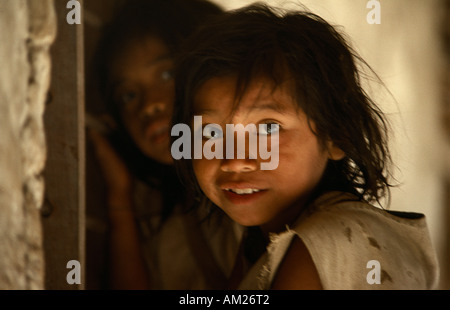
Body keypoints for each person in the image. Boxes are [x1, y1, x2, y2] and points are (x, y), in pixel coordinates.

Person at [172, 3, 440, 289]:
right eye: (210, 133)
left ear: (337, 135)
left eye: (268, 128)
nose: (235, 160)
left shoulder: (331, 241)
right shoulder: (263, 241)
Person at [87, 0, 241, 289]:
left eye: (167, 75)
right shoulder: (159, 214)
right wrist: (119, 197)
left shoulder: (265, 179)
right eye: (128, 96)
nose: (149, 105)